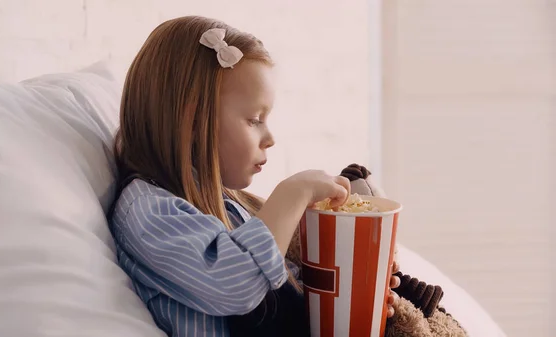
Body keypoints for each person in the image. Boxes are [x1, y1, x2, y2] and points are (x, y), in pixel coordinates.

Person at [109, 15, 399, 337]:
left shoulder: (226, 204)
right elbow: (238, 285)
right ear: (191, 121)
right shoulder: (150, 212)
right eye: (254, 119)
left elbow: (278, 293)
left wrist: (351, 298)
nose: (269, 137)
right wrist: (293, 193)